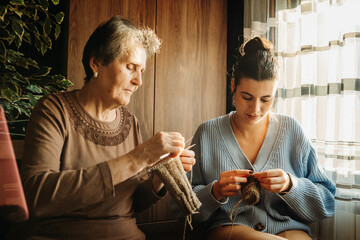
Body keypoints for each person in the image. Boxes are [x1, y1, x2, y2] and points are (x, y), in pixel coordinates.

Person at [7, 16, 195, 240]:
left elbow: (131, 203)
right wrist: (138, 157)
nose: (138, 81)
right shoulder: (53, 110)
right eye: (130, 67)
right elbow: (38, 197)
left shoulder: (130, 122)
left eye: (141, 71)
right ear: (96, 63)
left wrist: (160, 176)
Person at [190, 36, 335, 240]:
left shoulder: (292, 130)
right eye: (247, 97)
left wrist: (290, 186)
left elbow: (327, 203)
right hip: (230, 229)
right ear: (233, 86)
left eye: (266, 99)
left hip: (290, 230)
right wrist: (215, 191)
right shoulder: (207, 133)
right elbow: (184, 211)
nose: (255, 109)